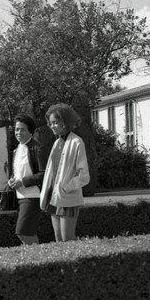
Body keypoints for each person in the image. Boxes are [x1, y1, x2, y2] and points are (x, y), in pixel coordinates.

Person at [40, 104, 90, 242]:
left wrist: (66, 188)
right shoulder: (57, 143)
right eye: (51, 123)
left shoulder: (77, 142)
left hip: (68, 198)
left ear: (66, 122)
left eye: (56, 122)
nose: (52, 126)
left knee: (68, 240)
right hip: (54, 197)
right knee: (58, 239)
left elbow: (84, 176)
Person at [8, 114, 48, 245]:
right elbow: (17, 173)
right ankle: (36, 260)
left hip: (33, 196)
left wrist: (22, 182)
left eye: (22, 129)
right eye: (16, 129)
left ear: (30, 131)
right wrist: (12, 180)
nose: (18, 132)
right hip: (19, 196)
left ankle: (39, 259)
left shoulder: (37, 148)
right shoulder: (16, 150)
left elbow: (44, 174)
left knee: (23, 232)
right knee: (28, 233)